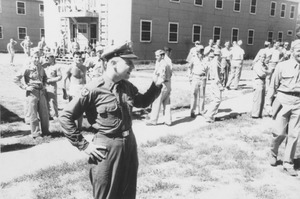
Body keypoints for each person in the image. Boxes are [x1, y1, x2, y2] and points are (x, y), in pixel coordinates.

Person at [59, 42, 163, 199]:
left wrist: (155, 86)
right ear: (113, 63)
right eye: (128, 63)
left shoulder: (126, 86)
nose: (133, 67)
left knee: (128, 193)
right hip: (106, 149)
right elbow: (66, 116)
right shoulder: (94, 88)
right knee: (107, 194)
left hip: (129, 145)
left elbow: (141, 102)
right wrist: (83, 145)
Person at [265, 39, 300, 177]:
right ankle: (273, 153)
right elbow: (273, 86)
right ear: (292, 51)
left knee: (294, 134)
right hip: (283, 100)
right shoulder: (282, 66)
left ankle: (288, 162)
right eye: (299, 51)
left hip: (298, 102)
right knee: (279, 132)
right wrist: (268, 103)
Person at [14, 48, 49, 138]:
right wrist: (25, 87)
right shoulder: (26, 68)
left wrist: (44, 85)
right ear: (31, 57)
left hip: (41, 92)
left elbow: (45, 77)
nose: (36, 59)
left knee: (44, 113)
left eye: (38, 57)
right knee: (33, 114)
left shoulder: (41, 67)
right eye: (35, 57)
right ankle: (35, 133)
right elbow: (16, 79)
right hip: (32, 93)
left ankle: (46, 131)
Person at [146, 49, 172, 126]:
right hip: (167, 85)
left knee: (156, 102)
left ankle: (153, 120)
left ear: (162, 56)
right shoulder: (166, 63)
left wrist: (157, 85)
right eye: (156, 55)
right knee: (166, 103)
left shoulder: (162, 64)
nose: (156, 57)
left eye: (157, 56)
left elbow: (162, 77)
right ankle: (168, 121)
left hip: (162, 85)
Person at [63, 51, 87, 129]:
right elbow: (64, 79)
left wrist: (86, 88)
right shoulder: (70, 67)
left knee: (81, 109)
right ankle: (72, 127)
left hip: (82, 88)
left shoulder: (84, 67)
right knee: (73, 109)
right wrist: (65, 91)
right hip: (73, 89)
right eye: (76, 57)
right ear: (73, 58)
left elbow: (85, 79)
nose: (78, 58)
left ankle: (79, 127)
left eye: (79, 57)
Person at [187, 45, 209, 118]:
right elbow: (189, 68)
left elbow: (207, 69)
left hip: (203, 77)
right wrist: (190, 77)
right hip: (195, 77)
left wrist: (207, 77)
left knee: (202, 95)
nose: (200, 53)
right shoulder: (193, 59)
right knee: (193, 94)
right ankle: (192, 111)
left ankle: (201, 111)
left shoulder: (205, 59)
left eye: (201, 51)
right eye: (199, 51)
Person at [203, 49, 224, 123]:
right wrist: (219, 84)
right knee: (217, 99)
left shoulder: (213, 61)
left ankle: (208, 113)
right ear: (219, 55)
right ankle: (209, 115)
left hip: (213, 81)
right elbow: (216, 75)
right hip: (215, 81)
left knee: (213, 99)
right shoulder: (215, 62)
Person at [43, 55, 62, 120]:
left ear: (53, 58)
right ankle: (47, 114)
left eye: (49, 57)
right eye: (47, 57)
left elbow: (59, 77)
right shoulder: (44, 66)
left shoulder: (56, 67)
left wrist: (51, 80)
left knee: (52, 100)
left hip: (52, 84)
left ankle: (54, 114)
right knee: (44, 99)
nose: (47, 59)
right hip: (44, 84)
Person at [251, 53, 269, 118]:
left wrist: (266, 72)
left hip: (263, 81)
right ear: (259, 57)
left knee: (262, 99)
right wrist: (267, 72)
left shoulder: (264, 65)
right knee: (257, 99)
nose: (263, 59)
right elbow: (261, 74)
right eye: (262, 57)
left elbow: (268, 72)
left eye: (264, 57)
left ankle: (260, 114)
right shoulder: (257, 65)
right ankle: (255, 114)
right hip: (258, 81)